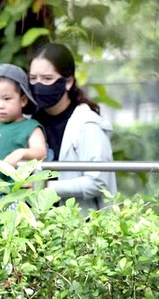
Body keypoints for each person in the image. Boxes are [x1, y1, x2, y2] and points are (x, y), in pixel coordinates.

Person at [29, 43, 116, 211]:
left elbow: (97, 181)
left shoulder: (87, 124)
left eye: (47, 79)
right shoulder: (30, 120)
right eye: (33, 79)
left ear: (68, 81)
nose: (38, 86)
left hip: (78, 226)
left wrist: (46, 188)